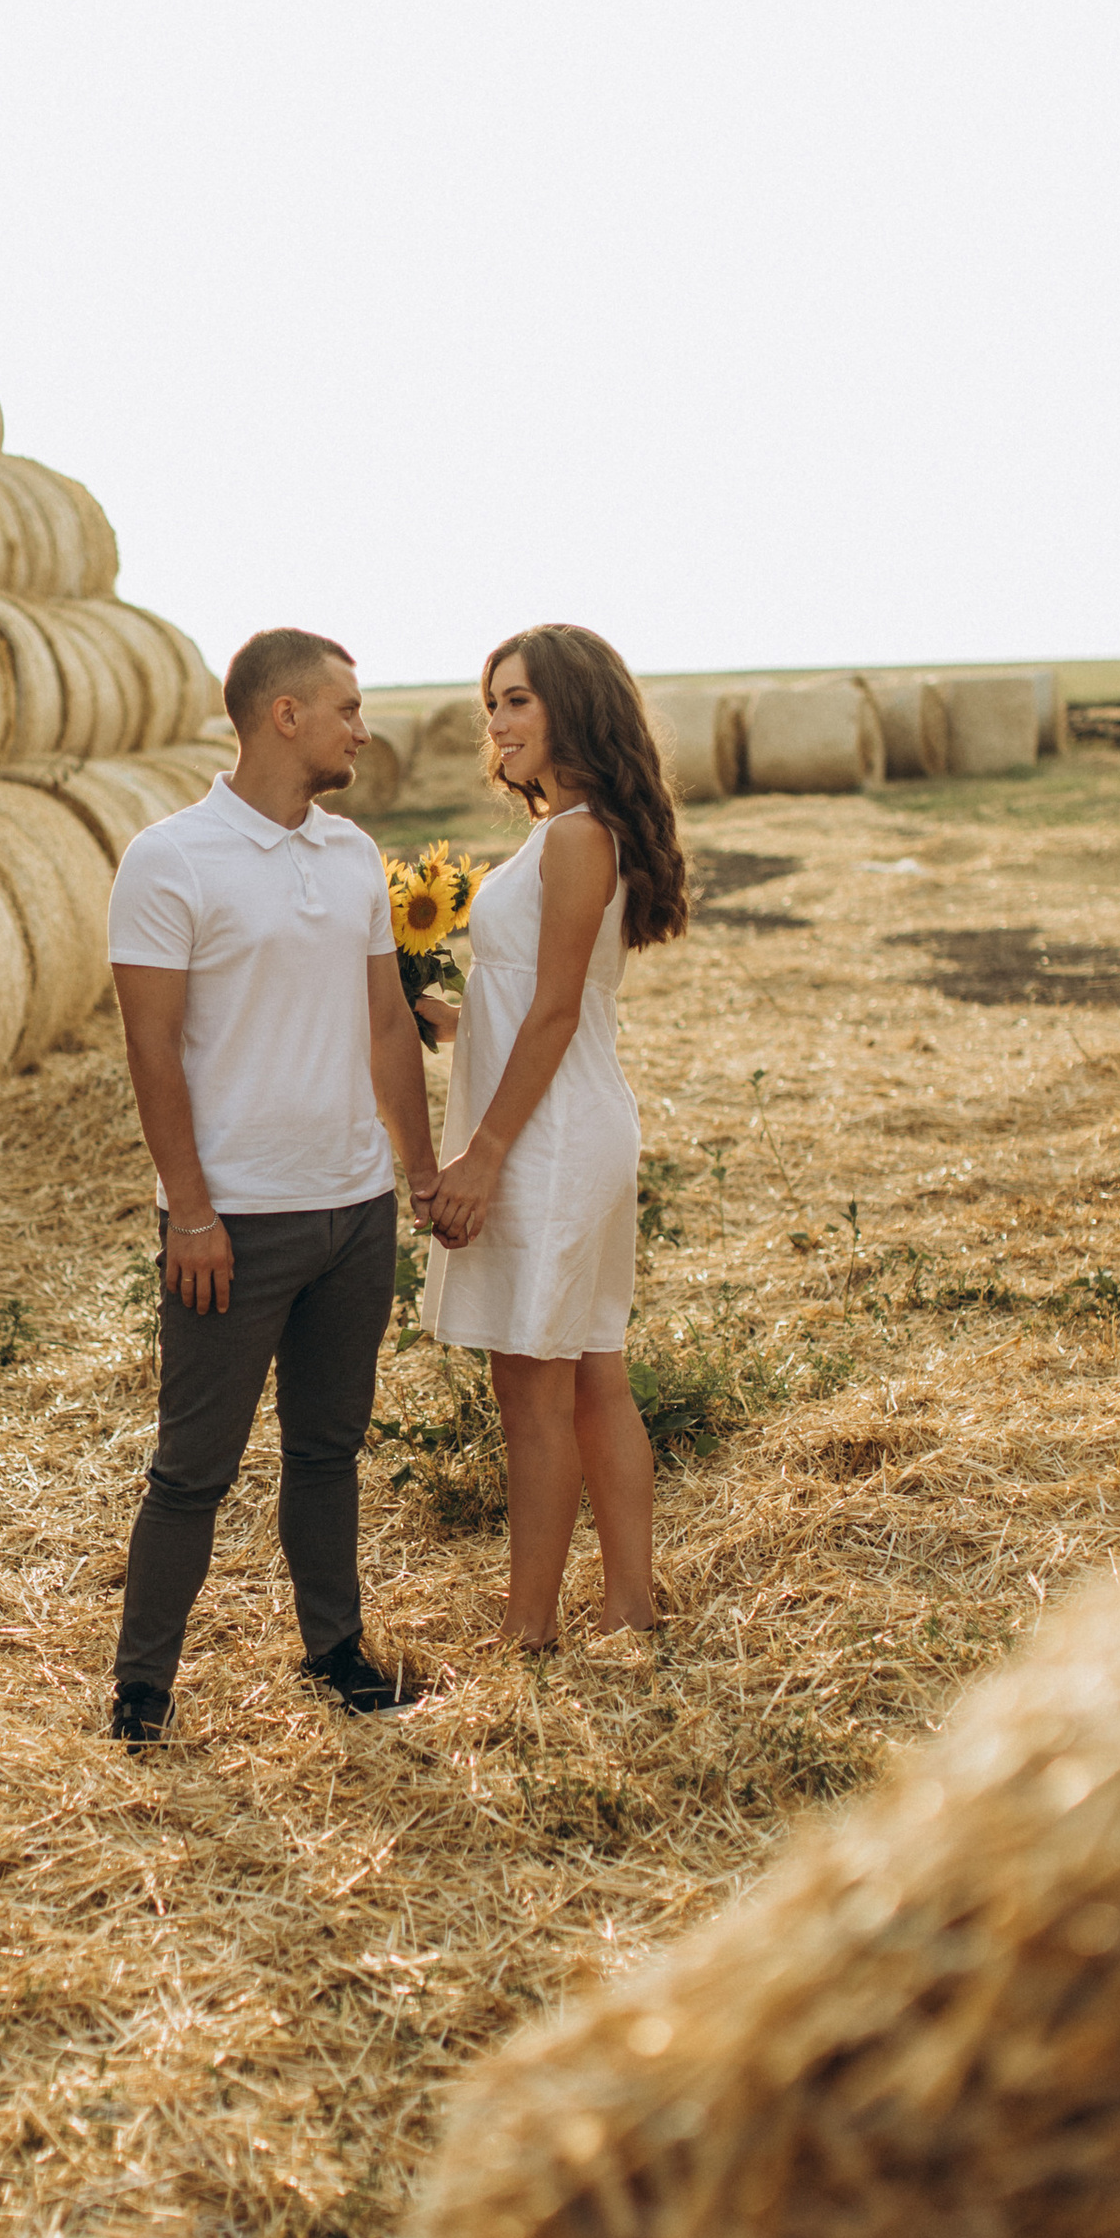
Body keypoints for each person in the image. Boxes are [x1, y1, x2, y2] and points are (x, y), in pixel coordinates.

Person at [105, 627, 441, 1744]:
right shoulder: (170, 859)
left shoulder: (352, 856)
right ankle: (142, 1692)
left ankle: (334, 1653)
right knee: (191, 1468)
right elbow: (150, 1050)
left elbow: (387, 1020)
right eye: (346, 706)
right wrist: (189, 1211)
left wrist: (419, 1169)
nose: (362, 724)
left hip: (354, 1211)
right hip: (233, 1224)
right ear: (282, 715)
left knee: (327, 1453)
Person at [420, 625, 688, 1648]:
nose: (496, 722)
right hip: (562, 1120)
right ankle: (629, 1610)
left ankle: (525, 1632)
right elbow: (522, 1001)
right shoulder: (573, 829)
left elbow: (555, 1012)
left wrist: (480, 1155)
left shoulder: (578, 837)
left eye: (518, 699)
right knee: (588, 1376)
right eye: (492, 702)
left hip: (548, 1137)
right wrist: (436, 1013)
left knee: (536, 1392)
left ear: (573, 707)